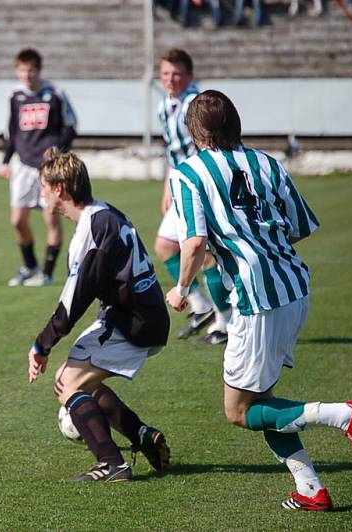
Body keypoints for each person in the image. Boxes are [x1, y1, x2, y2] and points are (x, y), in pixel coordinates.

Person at [165, 90, 352, 510]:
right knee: (260, 401)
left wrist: (180, 288)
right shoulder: (267, 163)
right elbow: (300, 226)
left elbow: (192, 243)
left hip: (256, 299)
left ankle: (345, 414)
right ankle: (310, 488)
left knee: (239, 411)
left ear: (194, 130)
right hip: (294, 287)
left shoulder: (188, 172)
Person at [26, 152, 171, 481]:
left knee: (68, 385)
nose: (41, 195)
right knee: (72, 378)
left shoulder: (92, 227)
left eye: (44, 187)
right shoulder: (103, 212)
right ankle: (141, 435)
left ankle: (112, 463)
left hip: (133, 321)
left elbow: (72, 302)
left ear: (60, 189)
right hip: (135, 314)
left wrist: (42, 345)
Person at [155, 49, 232, 344]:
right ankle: (201, 308)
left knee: (207, 255)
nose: (170, 79)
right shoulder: (165, 105)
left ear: (189, 76)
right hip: (180, 180)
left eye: (176, 74)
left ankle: (225, 323)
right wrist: (168, 184)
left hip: (200, 182)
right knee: (165, 246)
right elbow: (172, 151)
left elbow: (209, 145)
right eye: (165, 74)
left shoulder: (197, 105)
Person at [1, 48, 77, 287]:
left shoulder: (55, 94)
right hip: (23, 166)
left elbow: (71, 126)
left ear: (39, 70)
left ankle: (46, 273)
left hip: (48, 169)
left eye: (31, 69)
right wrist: (5, 160)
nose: (27, 74)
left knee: (51, 219)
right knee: (17, 220)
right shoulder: (15, 96)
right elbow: (11, 132)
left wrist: (58, 153)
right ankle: (29, 266)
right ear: (17, 70)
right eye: (23, 69)